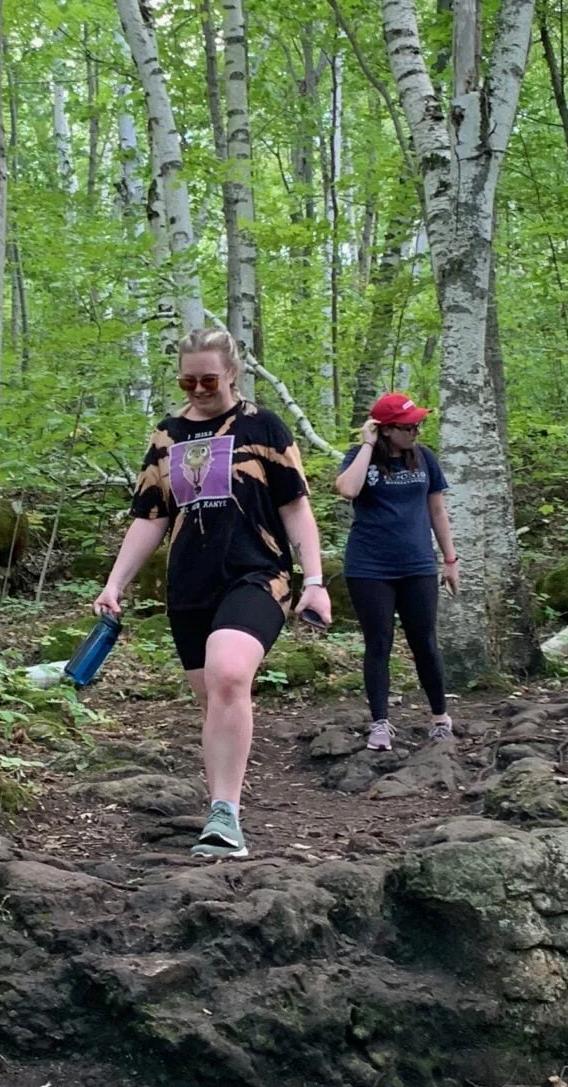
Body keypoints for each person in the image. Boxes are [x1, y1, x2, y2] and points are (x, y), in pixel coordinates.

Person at [94, 328, 332, 858]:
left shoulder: (263, 427)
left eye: (209, 379)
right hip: (190, 586)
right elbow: (150, 517)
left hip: (257, 573)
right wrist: (115, 583)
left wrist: (314, 581)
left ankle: (225, 815)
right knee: (215, 699)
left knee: (228, 673)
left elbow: (296, 508)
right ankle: (222, 804)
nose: (199, 389)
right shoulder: (168, 435)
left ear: (231, 374)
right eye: (188, 381)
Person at [334, 391, 458, 751]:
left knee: (425, 643)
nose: (416, 431)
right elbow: (347, 490)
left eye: (418, 425)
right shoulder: (360, 457)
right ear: (386, 429)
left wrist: (450, 561)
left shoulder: (425, 458)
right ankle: (379, 723)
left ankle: (440, 718)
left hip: (417, 565)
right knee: (378, 644)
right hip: (369, 567)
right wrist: (367, 445)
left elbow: (437, 511)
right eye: (408, 427)